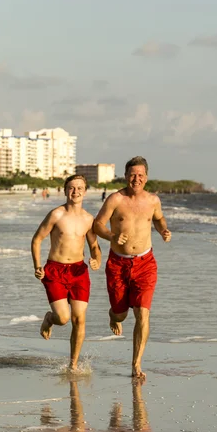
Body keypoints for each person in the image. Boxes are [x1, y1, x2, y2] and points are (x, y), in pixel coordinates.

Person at [94, 156, 171, 380]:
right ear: (126, 176)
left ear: (146, 177)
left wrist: (163, 230)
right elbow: (98, 225)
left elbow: (158, 219)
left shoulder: (153, 200)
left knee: (143, 314)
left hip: (145, 263)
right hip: (118, 263)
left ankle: (136, 364)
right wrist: (112, 235)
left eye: (140, 175)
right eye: (132, 175)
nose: (136, 179)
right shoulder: (115, 199)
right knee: (121, 314)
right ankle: (113, 316)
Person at [31, 174, 101, 371]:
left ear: (85, 192)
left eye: (79, 188)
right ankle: (49, 319)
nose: (75, 191)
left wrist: (97, 260)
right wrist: (37, 266)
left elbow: (95, 247)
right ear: (65, 190)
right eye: (71, 188)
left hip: (79, 272)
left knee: (79, 319)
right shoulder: (56, 214)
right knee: (63, 318)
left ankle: (73, 364)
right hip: (55, 270)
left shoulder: (89, 219)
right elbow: (37, 239)